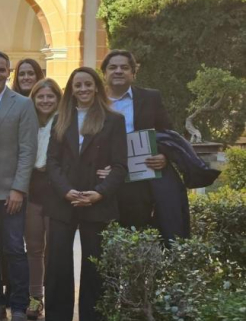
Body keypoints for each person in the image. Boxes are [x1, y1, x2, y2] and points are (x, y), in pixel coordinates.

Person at [45, 67, 127, 321]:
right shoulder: (60, 119)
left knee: (95, 267)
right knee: (57, 265)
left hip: (97, 202)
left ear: (96, 87)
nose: (83, 89)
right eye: (78, 85)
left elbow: (120, 166)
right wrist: (65, 191)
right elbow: (52, 162)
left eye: (88, 84)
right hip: (63, 201)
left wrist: (99, 193)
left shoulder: (114, 120)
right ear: (71, 90)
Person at [0, 50, 38, 321]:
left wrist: (19, 189)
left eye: (1, 70)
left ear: (8, 72)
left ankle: (18, 305)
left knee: (14, 248)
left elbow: (27, 150)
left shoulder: (23, 104)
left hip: (10, 191)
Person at [100, 50, 182, 241]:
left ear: (133, 73)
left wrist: (164, 156)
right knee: (100, 237)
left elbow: (167, 132)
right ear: (104, 73)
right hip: (103, 178)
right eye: (113, 67)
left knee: (135, 233)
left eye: (124, 67)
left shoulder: (151, 98)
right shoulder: (94, 100)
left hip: (138, 180)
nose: (118, 71)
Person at [24, 78, 62, 320]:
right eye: (41, 96)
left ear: (58, 99)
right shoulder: (28, 123)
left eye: (50, 96)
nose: (46, 101)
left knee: (55, 250)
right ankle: (35, 297)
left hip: (57, 193)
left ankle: (56, 297)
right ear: (34, 99)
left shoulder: (65, 123)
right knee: (34, 248)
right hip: (32, 191)